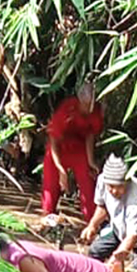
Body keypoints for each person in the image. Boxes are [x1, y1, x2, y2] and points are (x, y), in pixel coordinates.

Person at [40, 80, 104, 219]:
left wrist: (91, 160)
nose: (90, 109)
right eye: (88, 105)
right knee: (51, 185)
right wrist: (60, 168)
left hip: (78, 149)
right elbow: (53, 139)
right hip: (59, 148)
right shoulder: (67, 109)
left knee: (87, 183)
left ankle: (90, 221)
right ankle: (47, 215)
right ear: (80, 101)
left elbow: (90, 135)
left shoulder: (96, 111)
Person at [82, 155, 137, 263]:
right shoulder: (102, 180)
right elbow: (102, 206)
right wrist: (93, 225)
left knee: (135, 270)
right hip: (118, 230)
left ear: (127, 182)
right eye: (110, 186)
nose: (114, 191)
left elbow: (132, 236)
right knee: (94, 251)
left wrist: (113, 263)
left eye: (119, 186)